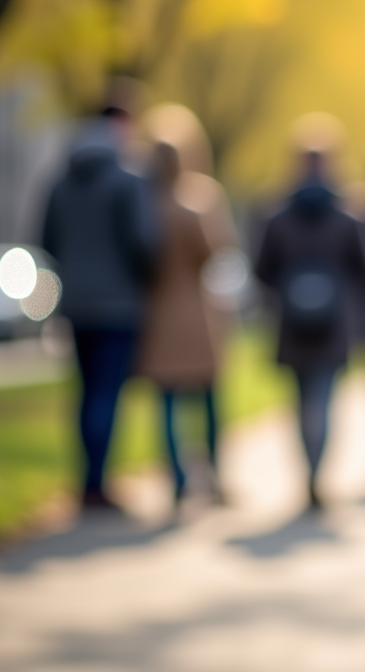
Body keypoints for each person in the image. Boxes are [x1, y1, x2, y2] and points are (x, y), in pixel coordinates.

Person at [41, 106, 159, 510]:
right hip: (118, 304)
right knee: (106, 393)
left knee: (85, 391)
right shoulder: (128, 182)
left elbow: (46, 240)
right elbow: (144, 242)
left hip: (74, 301)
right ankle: (97, 483)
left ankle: (85, 480)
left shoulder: (60, 183)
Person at [254, 113, 365, 509]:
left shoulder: (276, 214)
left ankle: (307, 473)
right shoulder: (348, 214)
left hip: (291, 322)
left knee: (300, 401)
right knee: (322, 401)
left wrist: (291, 291)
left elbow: (261, 270)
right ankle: (317, 477)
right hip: (333, 324)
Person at [137, 104, 238, 505]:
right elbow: (217, 249)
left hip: (157, 314)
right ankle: (211, 476)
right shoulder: (199, 198)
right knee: (210, 399)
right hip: (198, 313)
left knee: (167, 403)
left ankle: (177, 479)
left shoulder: (143, 203)